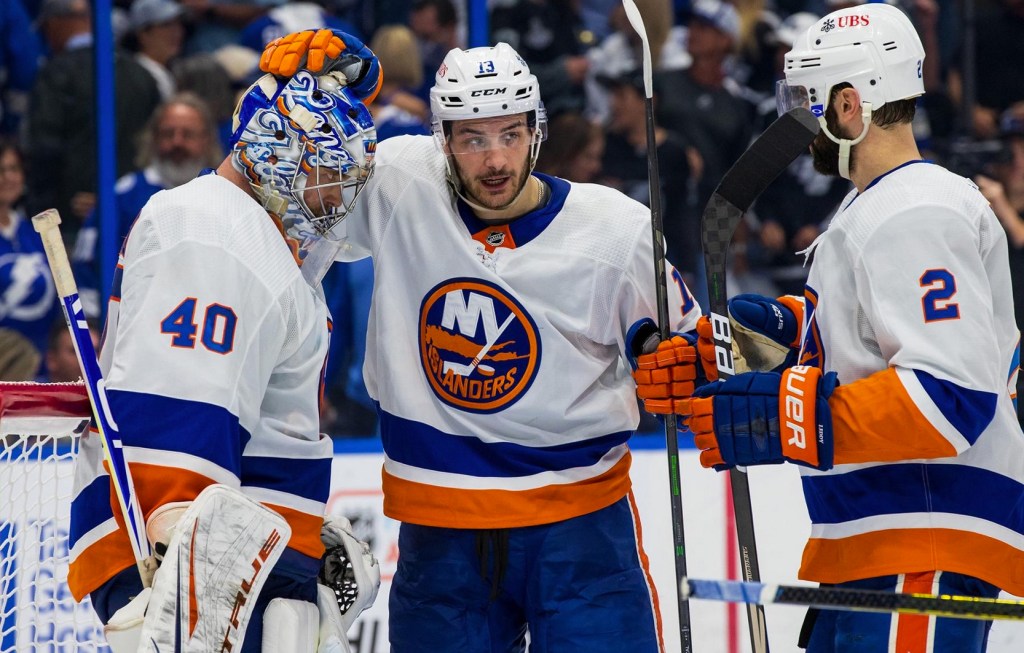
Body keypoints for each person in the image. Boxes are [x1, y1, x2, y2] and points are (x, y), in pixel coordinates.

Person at [258, 32, 701, 652]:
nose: (495, 160)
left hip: (579, 530)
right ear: (443, 140)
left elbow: (691, 354)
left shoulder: (615, 230)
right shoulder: (400, 182)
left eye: (510, 134)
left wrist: (681, 367)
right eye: (472, 139)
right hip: (441, 530)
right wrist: (300, 98)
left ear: (536, 131)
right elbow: (287, 198)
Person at [657, 4, 1024, 651]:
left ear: (849, 105)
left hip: (924, 538)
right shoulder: (878, 204)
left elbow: (949, 397)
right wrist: (766, 336)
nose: (795, 123)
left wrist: (785, 418)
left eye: (805, 101)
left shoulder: (916, 212)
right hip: (885, 535)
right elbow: (867, 341)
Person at [66, 63, 380, 650]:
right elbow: (177, 416)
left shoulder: (256, 233)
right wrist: (180, 556)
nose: (337, 197)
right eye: (327, 174)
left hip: (240, 557)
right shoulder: (215, 231)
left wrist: (298, 527)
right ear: (277, 153)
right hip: (189, 568)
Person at [71, 92, 222, 315]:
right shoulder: (122, 197)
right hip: (133, 322)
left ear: (207, 139)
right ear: (153, 138)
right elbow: (88, 268)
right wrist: (95, 324)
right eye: (168, 133)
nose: (177, 142)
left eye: (188, 134)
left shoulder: (224, 196)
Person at [0, 137, 59, 369]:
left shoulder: (37, 233)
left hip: (40, 367)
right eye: (0, 170)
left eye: (14, 169)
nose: (7, 177)